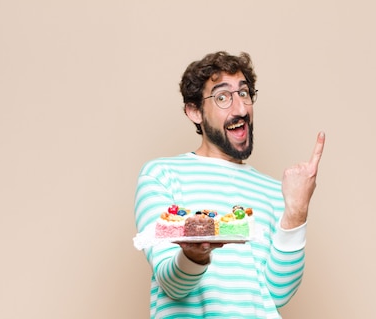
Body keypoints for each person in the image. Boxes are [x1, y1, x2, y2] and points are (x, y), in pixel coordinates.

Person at [134, 51, 325, 318]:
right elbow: (172, 285)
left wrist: (297, 211)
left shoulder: (273, 190)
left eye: (244, 93)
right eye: (222, 97)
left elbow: (277, 293)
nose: (241, 109)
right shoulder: (161, 175)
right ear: (195, 111)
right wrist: (195, 256)